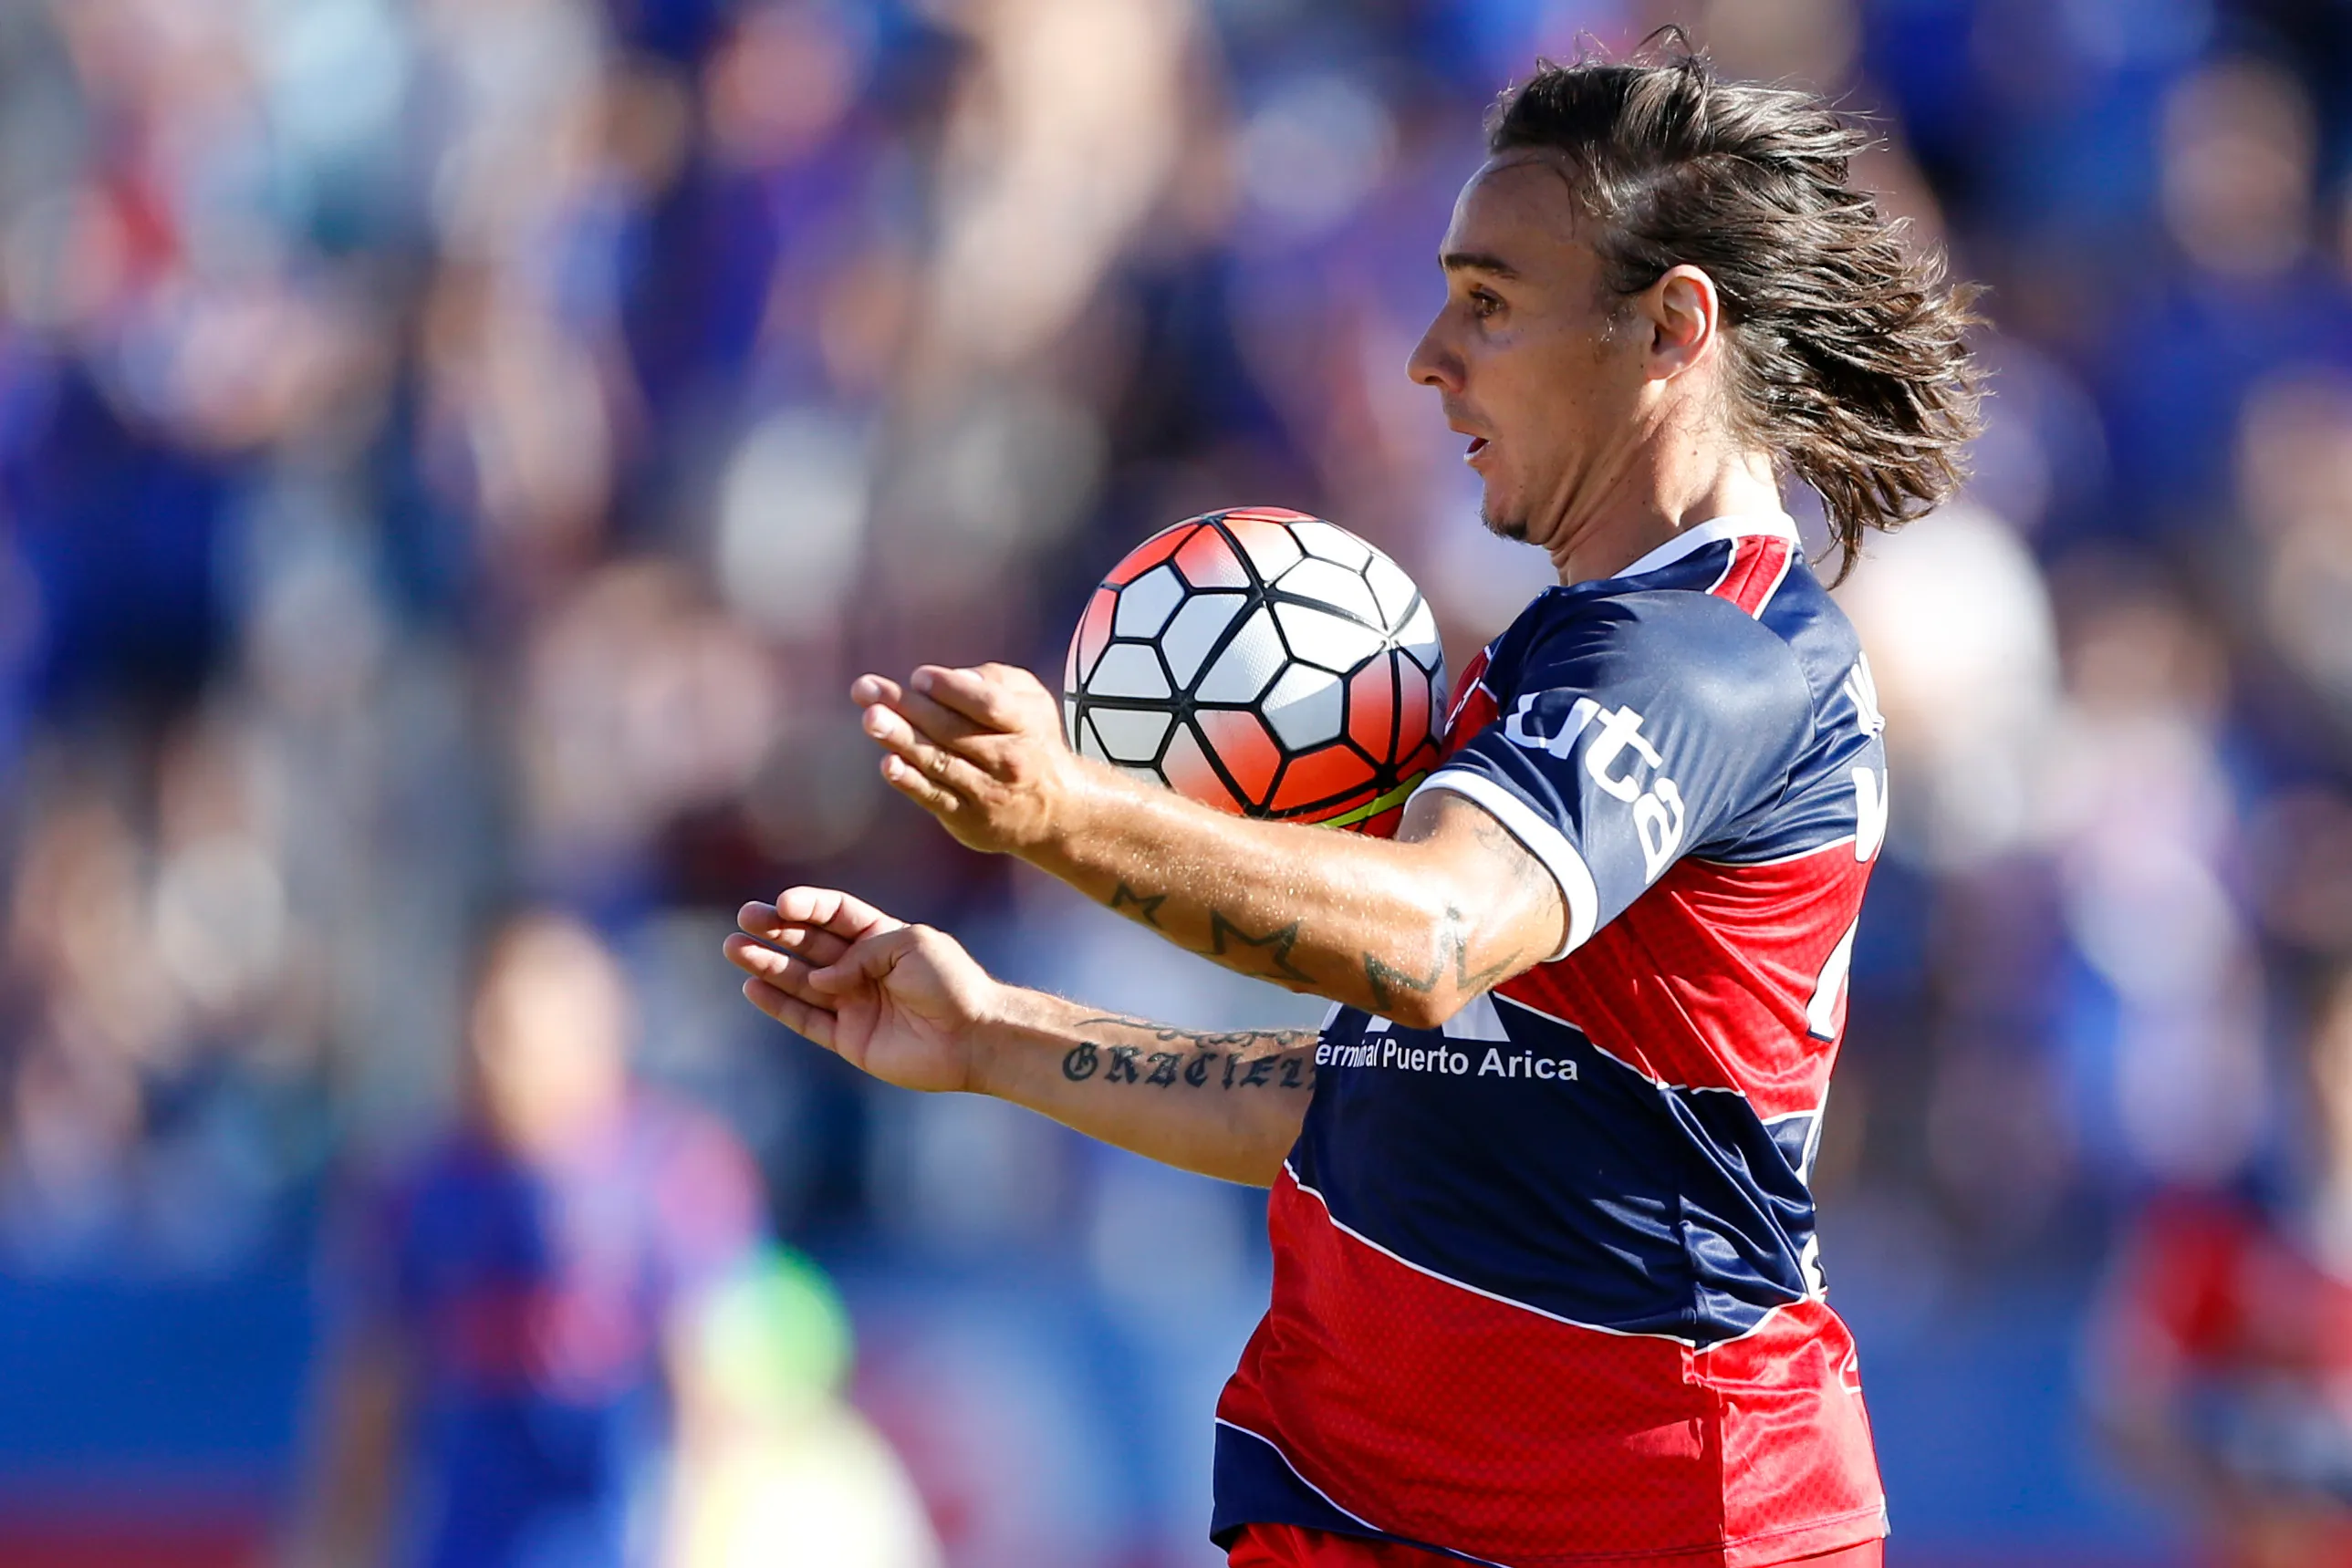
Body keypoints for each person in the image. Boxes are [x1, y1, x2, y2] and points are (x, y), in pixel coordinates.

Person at [727, 40, 1978, 1568]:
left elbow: (1430, 936)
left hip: (1641, 1509)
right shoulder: (1549, 658)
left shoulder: (1704, 657)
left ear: (1668, 327)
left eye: (1489, 300)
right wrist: (997, 1032)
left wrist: (1068, 813)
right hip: (1373, 1492)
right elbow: (1385, 1092)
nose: (1427, 353)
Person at [287, 912, 765, 1568]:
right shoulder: (411, 1191)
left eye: (514, 1028)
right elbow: (365, 1418)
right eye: (479, 1023)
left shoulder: (673, 1174)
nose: (489, 1051)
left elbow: (713, 1420)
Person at [2089, 971, 2352, 1568]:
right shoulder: (2214, 1223)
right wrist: (2237, 1465)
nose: (2331, 1081)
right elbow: (2121, 1410)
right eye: (2321, 1048)